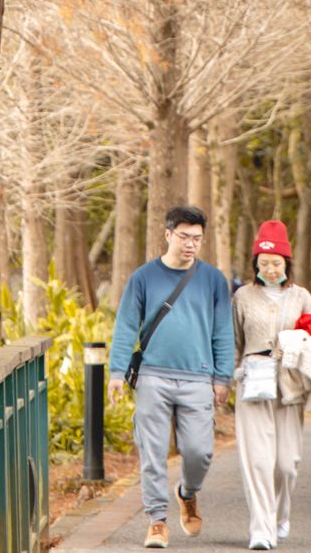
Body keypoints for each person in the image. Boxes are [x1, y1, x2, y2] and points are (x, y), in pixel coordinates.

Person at [108, 205, 236, 549]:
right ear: (168, 235)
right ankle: (157, 520)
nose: (191, 244)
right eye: (184, 237)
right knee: (152, 451)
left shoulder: (213, 280)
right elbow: (125, 327)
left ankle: (188, 492)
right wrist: (117, 371)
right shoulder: (143, 278)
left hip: (198, 377)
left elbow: (223, 331)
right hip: (152, 376)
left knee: (199, 451)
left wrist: (223, 376)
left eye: (197, 238)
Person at [231, 220, 311, 551]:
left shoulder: (301, 297)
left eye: (276, 263)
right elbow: (233, 341)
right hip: (253, 383)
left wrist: (296, 342)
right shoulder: (242, 296)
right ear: (255, 263)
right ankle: (261, 528)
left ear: (287, 263)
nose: (269, 269)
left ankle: (280, 515)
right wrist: (232, 374)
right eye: (263, 263)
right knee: (257, 459)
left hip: (290, 385)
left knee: (286, 463)